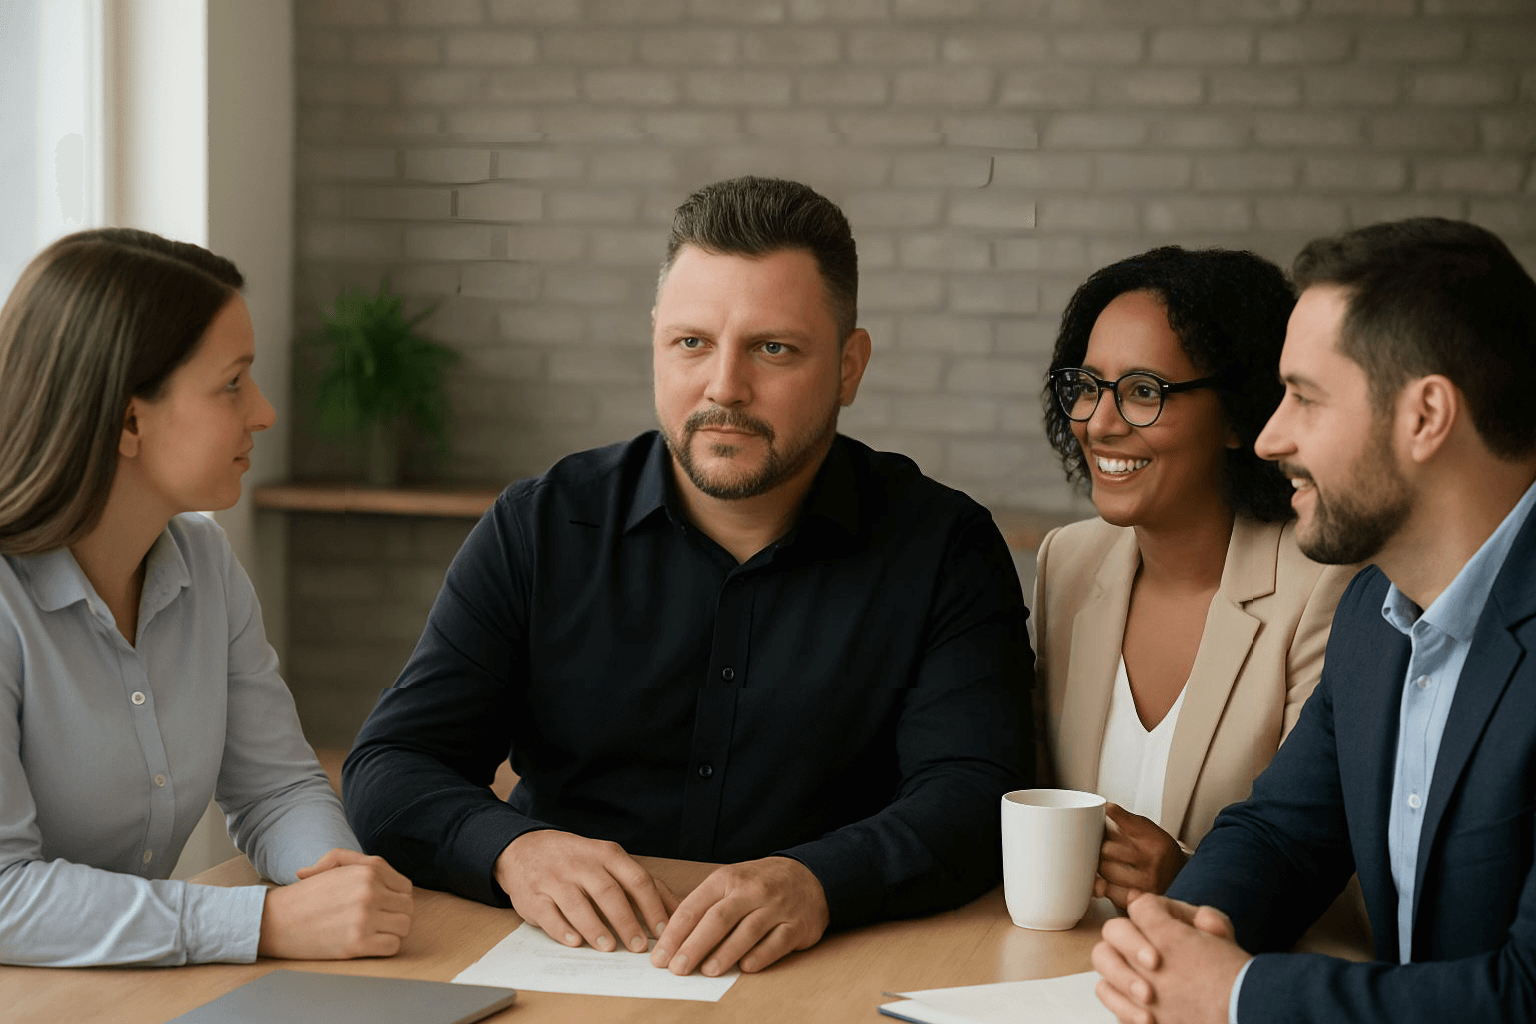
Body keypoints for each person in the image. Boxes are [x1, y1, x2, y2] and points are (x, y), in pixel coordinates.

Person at [343, 176, 1032, 979]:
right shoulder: (540, 525)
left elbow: (978, 794)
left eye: (773, 348)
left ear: (849, 366)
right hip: (561, 965)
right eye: (691, 342)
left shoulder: (943, 545)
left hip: (828, 968)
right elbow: (390, 766)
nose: (724, 387)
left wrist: (820, 880)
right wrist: (514, 850)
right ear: (656, 343)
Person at [1093, 217, 1536, 1024]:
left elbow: (1525, 995)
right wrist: (1174, 932)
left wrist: (1231, 993)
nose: (1268, 438)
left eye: (1304, 396)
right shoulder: (1376, 608)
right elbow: (1281, 836)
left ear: (1425, 416)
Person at [0, 228, 413, 967]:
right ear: (130, 419)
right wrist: (263, 924)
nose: (264, 412)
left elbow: (276, 790)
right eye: (232, 383)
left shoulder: (205, 563)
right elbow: (3, 896)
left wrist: (338, 884)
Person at [1033, 247, 1357, 911]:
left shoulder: (1323, 588)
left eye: (1144, 392)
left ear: (1239, 415)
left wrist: (1193, 877)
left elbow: (1348, 866)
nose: (1100, 422)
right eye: (1088, 386)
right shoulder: (1067, 563)